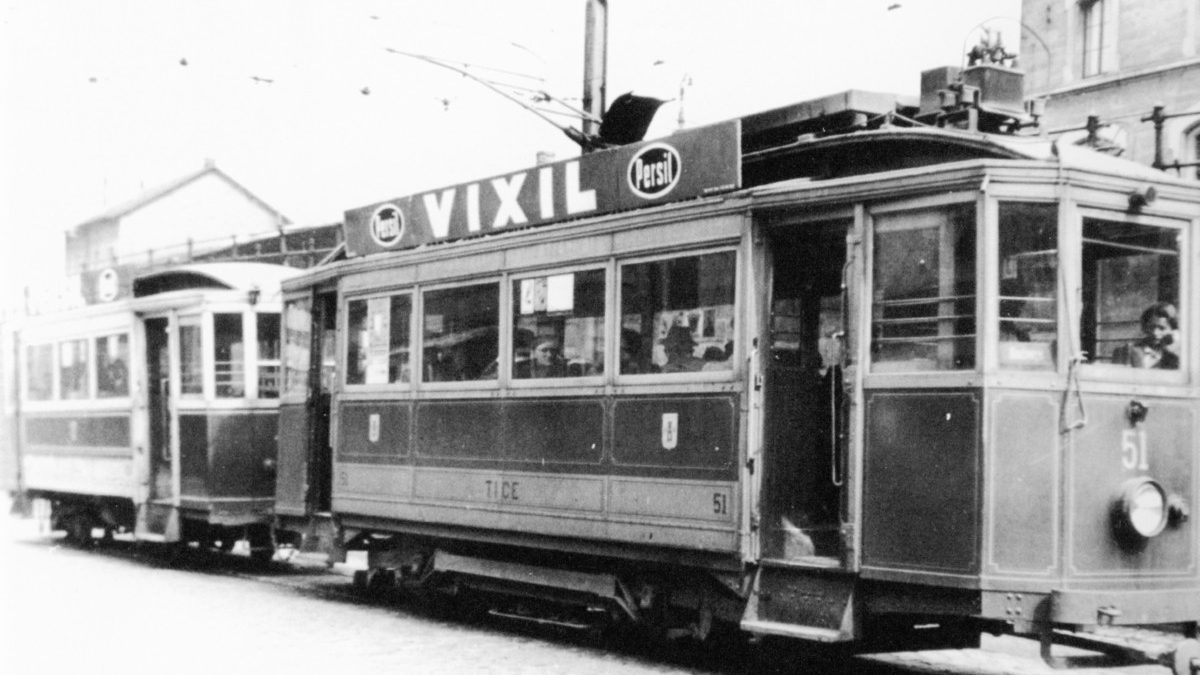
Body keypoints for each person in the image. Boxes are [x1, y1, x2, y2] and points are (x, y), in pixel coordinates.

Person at [1113, 302, 1180, 369]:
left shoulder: (1174, 356)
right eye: (1151, 327)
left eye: (1162, 328)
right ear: (1145, 327)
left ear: (1172, 330)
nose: (1155, 333)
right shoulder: (1128, 351)